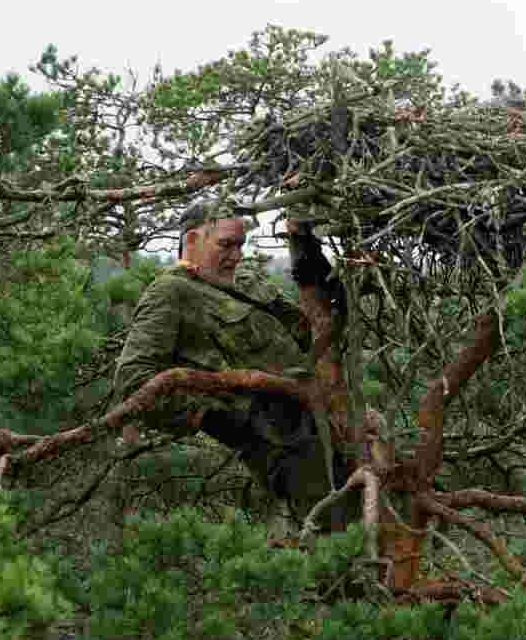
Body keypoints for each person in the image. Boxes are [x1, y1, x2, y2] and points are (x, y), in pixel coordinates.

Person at [113, 200, 350, 531]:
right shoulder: (171, 293)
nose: (237, 256)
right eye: (226, 245)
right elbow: (133, 382)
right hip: (285, 449)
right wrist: (222, 416)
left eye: (241, 245)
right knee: (339, 550)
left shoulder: (246, 280)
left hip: (332, 423)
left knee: (379, 526)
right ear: (192, 240)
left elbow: (307, 328)